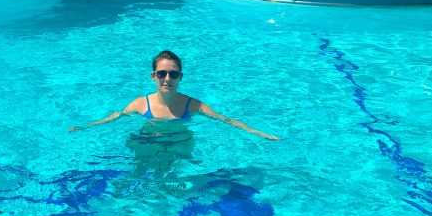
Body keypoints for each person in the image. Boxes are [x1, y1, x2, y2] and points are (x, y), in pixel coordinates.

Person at [68, 50, 279, 140]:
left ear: (180, 77)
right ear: (153, 76)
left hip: (178, 142)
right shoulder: (141, 104)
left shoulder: (193, 105)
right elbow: (116, 116)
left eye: (173, 74)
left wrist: (259, 134)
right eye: (162, 73)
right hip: (148, 141)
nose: (167, 78)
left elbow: (225, 120)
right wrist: (86, 127)